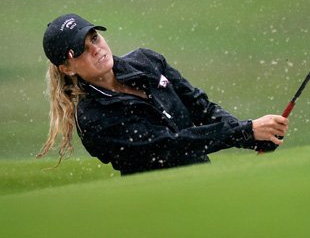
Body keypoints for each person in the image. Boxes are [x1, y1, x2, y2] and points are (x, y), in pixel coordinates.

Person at [37, 13, 289, 175]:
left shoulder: (146, 61)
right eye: (80, 50)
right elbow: (169, 144)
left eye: (94, 37)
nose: (95, 49)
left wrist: (253, 137)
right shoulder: (93, 119)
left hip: (206, 183)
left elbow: (201, 109)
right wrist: (244, 131)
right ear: (67, 68)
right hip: (156, 206)